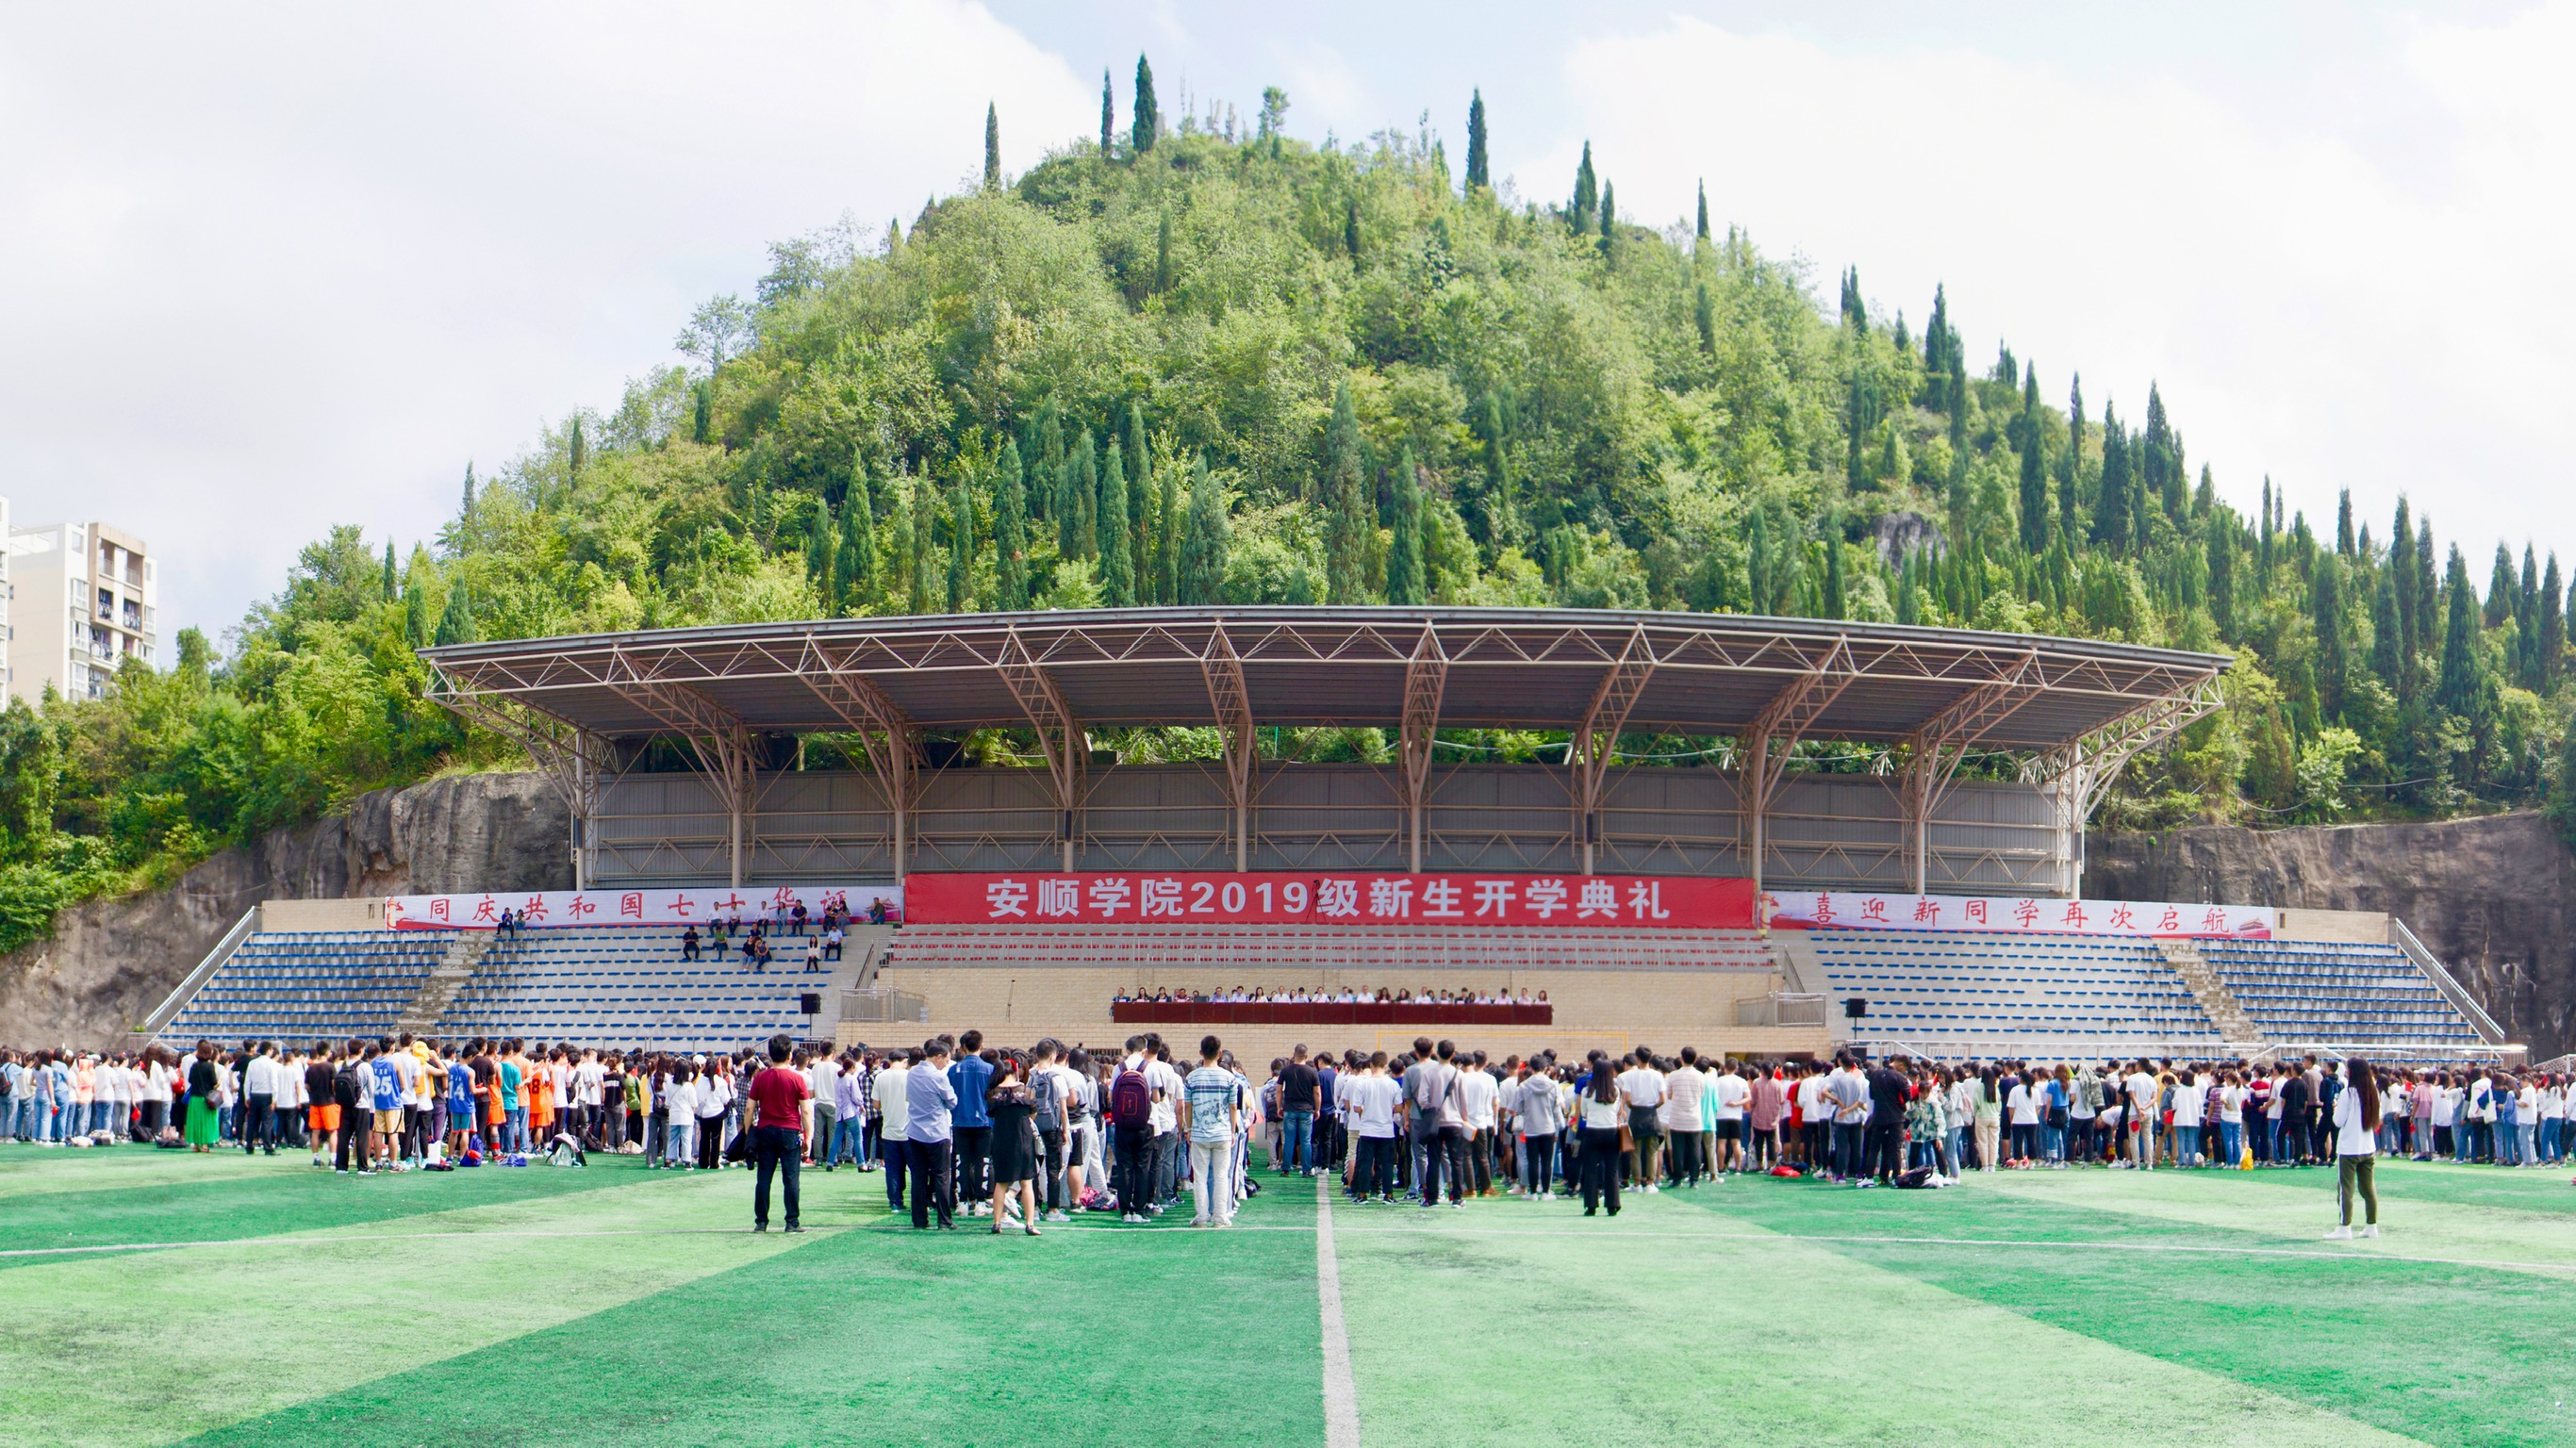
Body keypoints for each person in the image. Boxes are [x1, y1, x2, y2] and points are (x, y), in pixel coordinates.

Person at [746, 1034, 812, 1233]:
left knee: (764, 1178)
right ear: (789, 1054)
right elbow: (806, 1110)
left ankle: (761, 1221)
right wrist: (807, 1136)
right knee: (791, 1178)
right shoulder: (797, 1079)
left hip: (766, 1129)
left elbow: (750, 1108)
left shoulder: (760, 1078)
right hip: (790, 1130)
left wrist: (749, 1133)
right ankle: (792, 1221)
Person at [1181, 1034, 1243, 1227]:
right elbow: (1233, 1107)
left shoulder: (1191, 1077)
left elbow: (1188, 1106)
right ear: (1220, 1053)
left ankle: (1201, 1216)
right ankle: (1219, 1216)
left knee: (1199, 1176)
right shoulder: (1229, 1078)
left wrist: (1188, 1128)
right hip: (1222, 1132)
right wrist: (1232, 1131)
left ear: (1201, 1053)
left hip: (1199, 1132)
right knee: (1221, 1175)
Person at [984, 1056, 1043, 1235]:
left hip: (1001, 1140)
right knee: (1027, 1183)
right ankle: (1030, 1224)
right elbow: (1033, 1114)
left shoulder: (993, 1093)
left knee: (1001, 1183)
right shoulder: (1027, 1091)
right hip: (1023, 1140)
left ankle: (996, 1223)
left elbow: (992, 1114)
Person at [2326, 1058, 2383, 1240]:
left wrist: (2335, 1109)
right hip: (2367, 1147)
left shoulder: (2347, 1093)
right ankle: (2371, 1225)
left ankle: (2344, 1227)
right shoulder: (2373, 1092)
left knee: (2345, 1190)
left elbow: (2338, 1121)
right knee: (2368, 1189)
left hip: (2349, 1148)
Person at [906, 1040, 960, 1229]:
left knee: (918, 1177)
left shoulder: (912, 1073)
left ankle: (919, 1220)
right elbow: (952, 1101)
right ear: (939, 1057)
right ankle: (944, 1220)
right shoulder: (938, 1077)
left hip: (915, 1131)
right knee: (942, 1177)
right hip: (937, 1132)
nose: (946, 1064)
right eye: (946, 1060)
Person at [1575, 1055, 1625, 1218]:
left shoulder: (1587, 1091)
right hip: (1611, 1132)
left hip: (1592, 1131)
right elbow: (1618, 1111)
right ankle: (1613, 1205)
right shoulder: (1615, 1091)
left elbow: (1583, 1113)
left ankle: (1591, 1205)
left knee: (1590, 1169)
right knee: (1611, 1170)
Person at [181, 1041, 223, 1152]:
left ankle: (196, 1145)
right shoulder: (210, 1066)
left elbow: (190, 1080)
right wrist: (218, 1083)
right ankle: (205, 1145)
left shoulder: (194, 1065)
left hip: (194, 1098)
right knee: (207, 1122)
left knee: (195, 1122)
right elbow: (213, 1082)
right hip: (206, 1099)